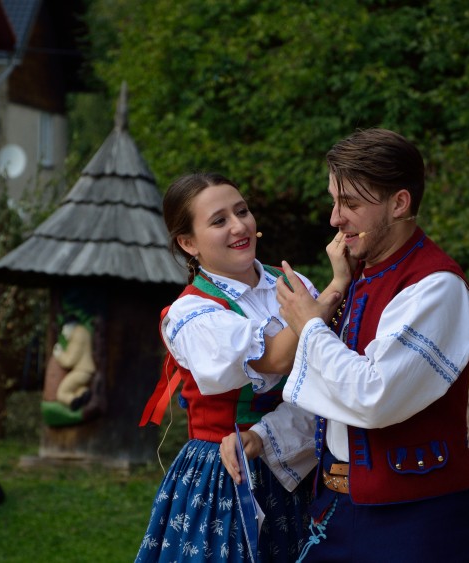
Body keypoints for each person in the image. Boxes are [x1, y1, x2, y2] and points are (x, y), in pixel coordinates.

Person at [273, 128, 469, 561]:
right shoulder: (361, 276)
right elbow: (331, 399)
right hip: (335, 508)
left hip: (413, 520)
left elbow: (374, 396)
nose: (335, 218)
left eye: (351, 204)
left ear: (399, 203)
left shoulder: (436, 287)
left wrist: (309, 327)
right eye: (334, 201)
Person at [135, 172, 350, 562]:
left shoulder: (292, 284)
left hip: (303, 459)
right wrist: (337, 286)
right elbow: (276, 357)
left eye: (242, 211)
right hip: (228, 473)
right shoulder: (190, 313)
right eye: (219, 221)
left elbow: (327, 368)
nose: (239, 226)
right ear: (188, 243)